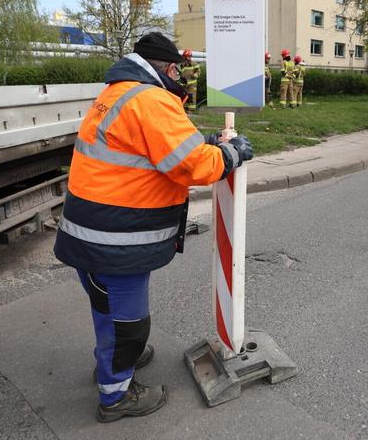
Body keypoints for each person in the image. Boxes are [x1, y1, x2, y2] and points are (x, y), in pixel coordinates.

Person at [53, 32, 253, 423]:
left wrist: (207, 141)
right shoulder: (153, 99)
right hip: (116, 239)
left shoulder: (118, 92)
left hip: (90, 232)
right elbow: (194, 166)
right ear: (170, 67)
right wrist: (231, 153)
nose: (180, 75)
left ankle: (109, 363)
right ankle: (116, 396)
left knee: (105, 308)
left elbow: (156, 149)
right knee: (129, 324)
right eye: (178, 68)